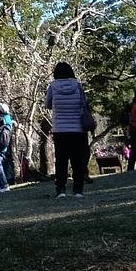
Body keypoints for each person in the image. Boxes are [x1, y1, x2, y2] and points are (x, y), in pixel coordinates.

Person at [45, 62, 91, 198]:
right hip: (78, 129)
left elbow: (48, 104)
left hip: (60, 130)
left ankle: (61, 190)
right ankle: (78, 190)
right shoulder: (78, 86)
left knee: (61, 160)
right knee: (78, 161)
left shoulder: (52, 87)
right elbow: (84, 103)